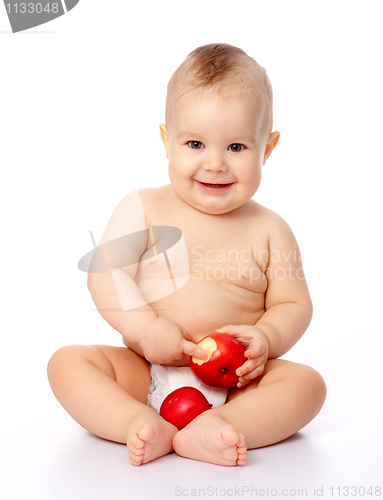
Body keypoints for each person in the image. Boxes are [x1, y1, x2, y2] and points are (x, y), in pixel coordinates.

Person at [47, 43, 326, 467]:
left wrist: (266, 338)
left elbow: (293, 303)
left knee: (307, 385)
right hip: (145, 371)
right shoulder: (144, 206)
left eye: (236, 148)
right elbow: (105, 273)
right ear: (166, 140)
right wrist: (145, 329)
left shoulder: (271, 229)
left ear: (268, 148)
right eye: (195, 143)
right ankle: (137, 421)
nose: (214, 163)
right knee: (68, 363)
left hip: (237, 385)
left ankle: (222, 426)